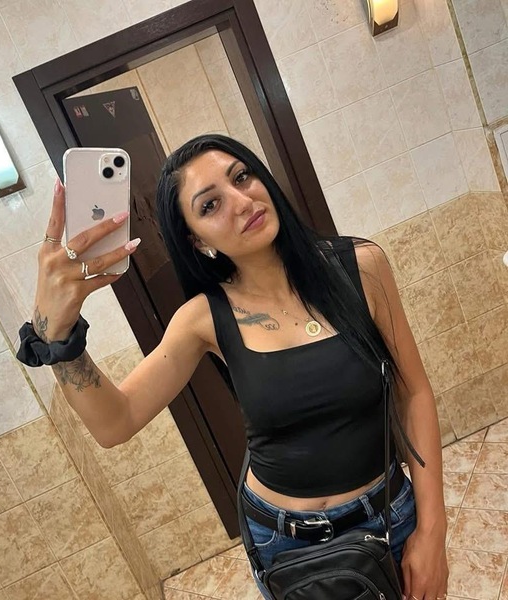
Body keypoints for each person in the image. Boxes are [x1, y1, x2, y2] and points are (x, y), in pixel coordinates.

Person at [22, 135, 449, 600]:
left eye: (242, 177)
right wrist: (55, 333)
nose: (242, 202)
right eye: (210, 205)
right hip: (283, 542)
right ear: (196, 239)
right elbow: (115, 422)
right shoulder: (203, 319)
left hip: (388, 515)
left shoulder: (361, 268)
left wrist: (433, 530)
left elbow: (414, 393)